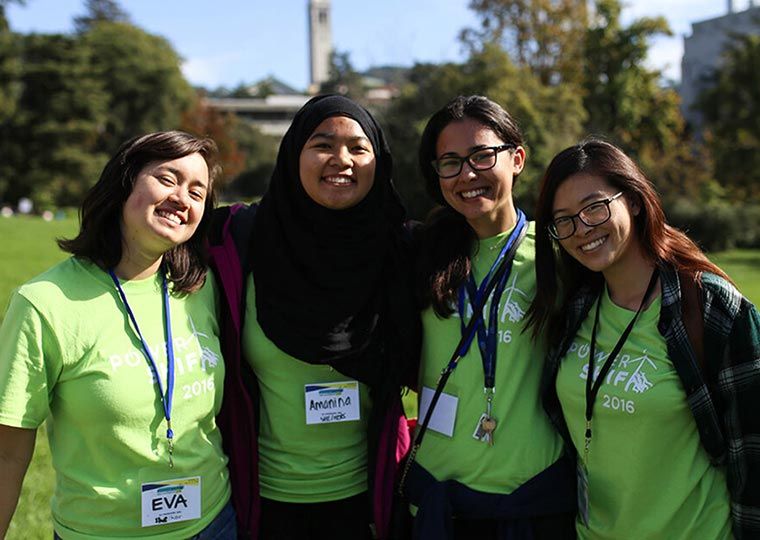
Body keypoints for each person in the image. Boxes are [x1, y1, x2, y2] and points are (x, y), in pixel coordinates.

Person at [0, 131, 235, 539]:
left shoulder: (201, 289)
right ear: (124, 182)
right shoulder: (45, 303)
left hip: (213, 523)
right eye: (168, 179)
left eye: (198, 192)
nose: (183, 198)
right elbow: (6, 453)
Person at [207, 94, 420, 540]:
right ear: (292, 154)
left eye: (358, 148)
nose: (340, 159)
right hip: (260, 501)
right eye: (322, 144)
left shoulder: (403, 252)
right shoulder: (236, 241)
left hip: (371, 500)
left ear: (378, 160)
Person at [527, 138, 760, 539]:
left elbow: (754, 454)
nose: (582, 229)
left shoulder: (708, 306)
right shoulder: (575, 307)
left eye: (594, 208)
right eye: (564, 220)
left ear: (633, 200)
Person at [407, 95, 576, 539]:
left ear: (517, 158)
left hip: (533, 499)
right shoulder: (419, 254)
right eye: (450, 162)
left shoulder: (556, 254)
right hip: (436, 496)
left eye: (482, 156)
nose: (467, 174)